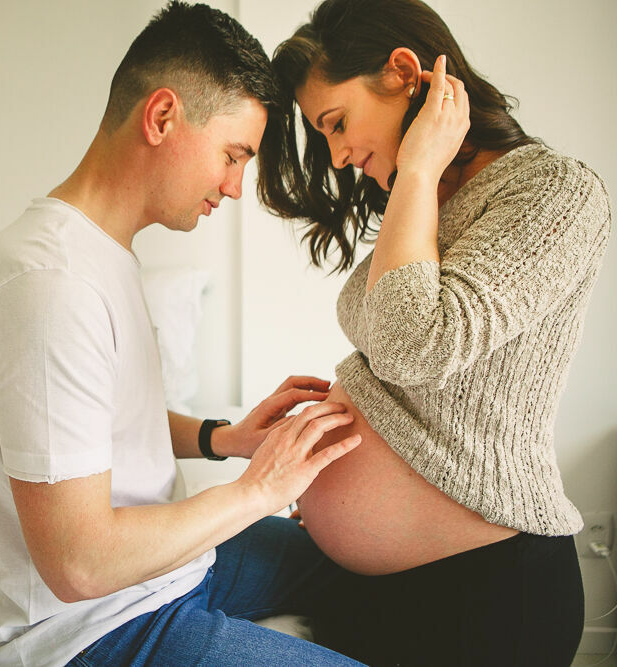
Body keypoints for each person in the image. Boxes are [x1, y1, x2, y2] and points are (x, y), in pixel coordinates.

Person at [0, 2, 365, 665]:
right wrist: (260, 487)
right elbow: (79, 563)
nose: (234, 187)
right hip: (99, 627)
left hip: (170, 570)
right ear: (163, 116)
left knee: (360, 561)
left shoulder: (98, 253)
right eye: (234, 156)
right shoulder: (48, 284)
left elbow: (99, 421)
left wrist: (221, 438)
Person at [255, 0, 612, 664]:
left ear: (401, 72)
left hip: (490, 595)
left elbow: (417, 345)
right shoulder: (426, 208)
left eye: (336, 123)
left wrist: (417, 167)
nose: (335, 156)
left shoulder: (556, 192)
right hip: (391, 588)